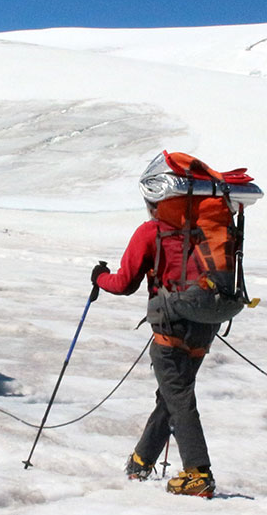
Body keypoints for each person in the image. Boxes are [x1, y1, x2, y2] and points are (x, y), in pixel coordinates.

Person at [91, 203, 221, 498]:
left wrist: (99, 277)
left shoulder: (152, 232)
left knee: (177, 396)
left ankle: (198, 473)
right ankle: (142, 460)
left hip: (170, 327)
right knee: (172, 395)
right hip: (206, 324)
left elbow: (125, 283)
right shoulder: (210, 231)